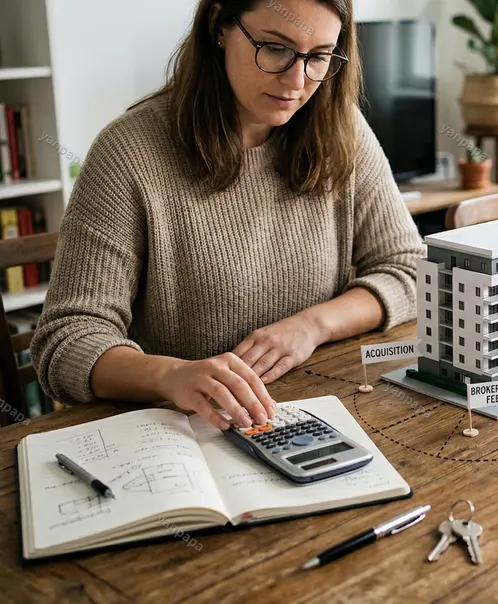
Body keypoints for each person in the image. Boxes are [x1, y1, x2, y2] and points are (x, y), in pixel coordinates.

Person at [30, 0, 424, 431]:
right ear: (220, 25)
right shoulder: (129, 153)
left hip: (319, 408)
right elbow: (66, 340)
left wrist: (312, 326)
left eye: (319, 57)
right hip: (183, 431)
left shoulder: (341, 129)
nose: (297, 80)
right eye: (276, 48)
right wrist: (171, 376)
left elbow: (409, 270)